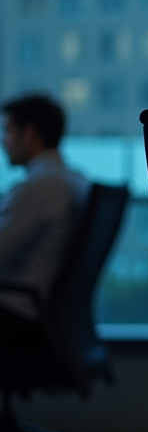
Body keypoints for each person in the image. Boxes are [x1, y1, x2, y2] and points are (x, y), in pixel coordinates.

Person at [0, 95, 91, 347]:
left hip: (17, 311)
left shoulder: (38, 189)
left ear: (29, 134)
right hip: (47, 315)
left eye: (8, 130)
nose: (3, 141)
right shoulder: (74, 181)